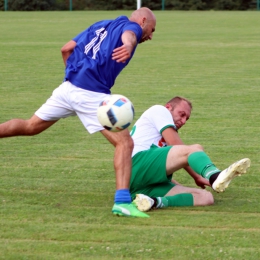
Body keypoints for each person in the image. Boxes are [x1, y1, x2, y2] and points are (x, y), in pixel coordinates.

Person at [0, 7, 157, 218]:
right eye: (152, 29)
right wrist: (128, 45)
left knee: (30, 126)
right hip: (90, 93)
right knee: (125, 142)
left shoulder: (101, 25)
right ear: (143, 21)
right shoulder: (132, 28)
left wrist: (73, 76)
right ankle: (122, 202)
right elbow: (130, 35)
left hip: (68, 87)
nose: (151, 36)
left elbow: (66, 49)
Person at [130, 96, 251, 212]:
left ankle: (153, 202)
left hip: (139, 184)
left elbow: (175, 153)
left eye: (186, 119)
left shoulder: (159, 133)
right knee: (195, 148)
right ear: (168, 107)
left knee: (205, 197)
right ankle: (215, 175)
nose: (183, 121)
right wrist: (197, 176)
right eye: (181, 114)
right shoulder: (159, 110)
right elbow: (176, 145)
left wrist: (180, 185)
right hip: (137, 164)